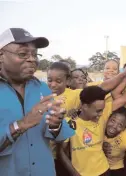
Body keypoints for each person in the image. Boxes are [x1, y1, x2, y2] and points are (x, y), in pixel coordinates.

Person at [0, 28, 74, 176]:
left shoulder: (42, 88)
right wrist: (20, 125)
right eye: (23, 53)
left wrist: (55, 125)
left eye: (35, 54)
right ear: (1, 55)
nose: (32, 59)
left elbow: (60, 134)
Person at [57, 61, 126, 176]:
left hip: (105, 171)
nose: (100, 114)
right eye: (97, 111)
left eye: (102, 110)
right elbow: (61, 152)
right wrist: (74, 173)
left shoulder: (103, 114)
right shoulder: (70, 123)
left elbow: (125, 97)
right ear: (85, 106)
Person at [47, 62, 82, 175]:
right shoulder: (42, 95)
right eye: (49, 80)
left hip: (65, 152)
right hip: (46, 153)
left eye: (58, 81)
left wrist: (78, 112)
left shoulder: (75, 95)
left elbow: (100, 90)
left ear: (68, 81)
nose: (53, 85)